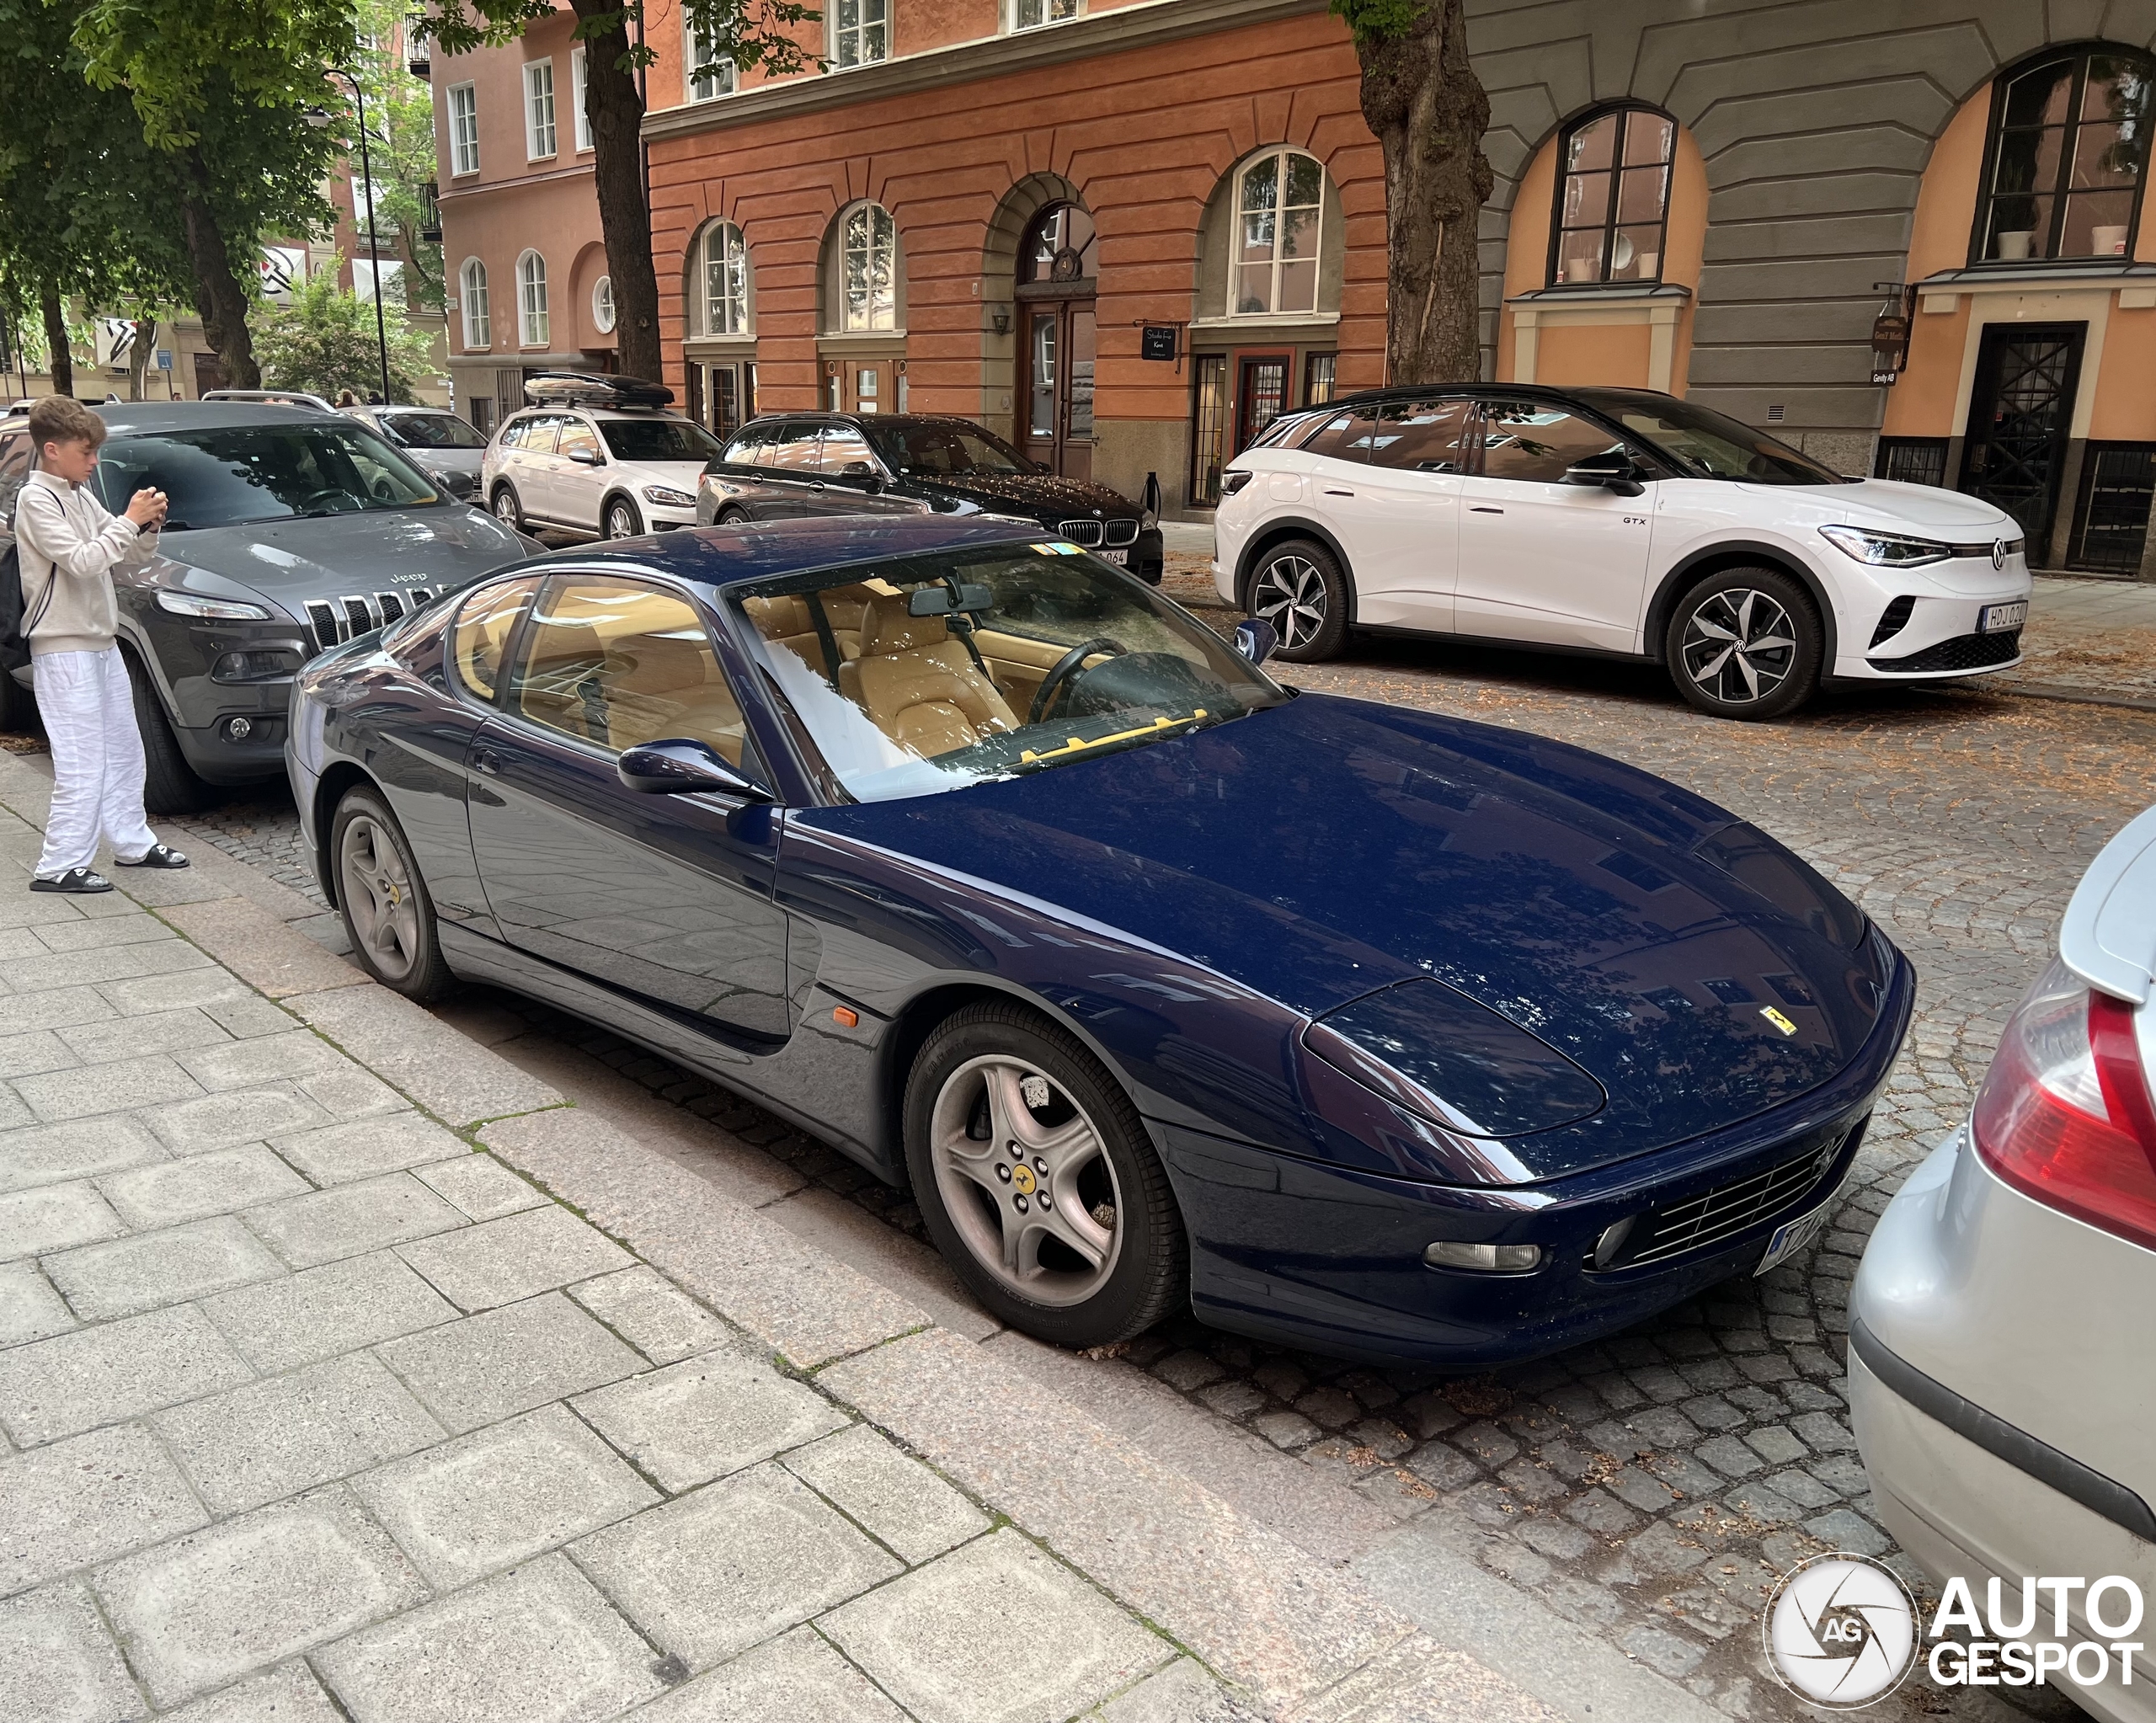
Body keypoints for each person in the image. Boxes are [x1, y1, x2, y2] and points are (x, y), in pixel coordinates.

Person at [13, 397, 189, 893]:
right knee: (81, 758)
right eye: (86, 453)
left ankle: (131, 843)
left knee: (125, 748)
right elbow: (85, 560)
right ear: (52, 449)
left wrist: (147, 527)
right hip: (62, 646)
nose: (94, 463)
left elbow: (123, 555)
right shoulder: (36, 499)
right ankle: (58, 865)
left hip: (99, 639)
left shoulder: (76, 492)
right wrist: (129, 520)